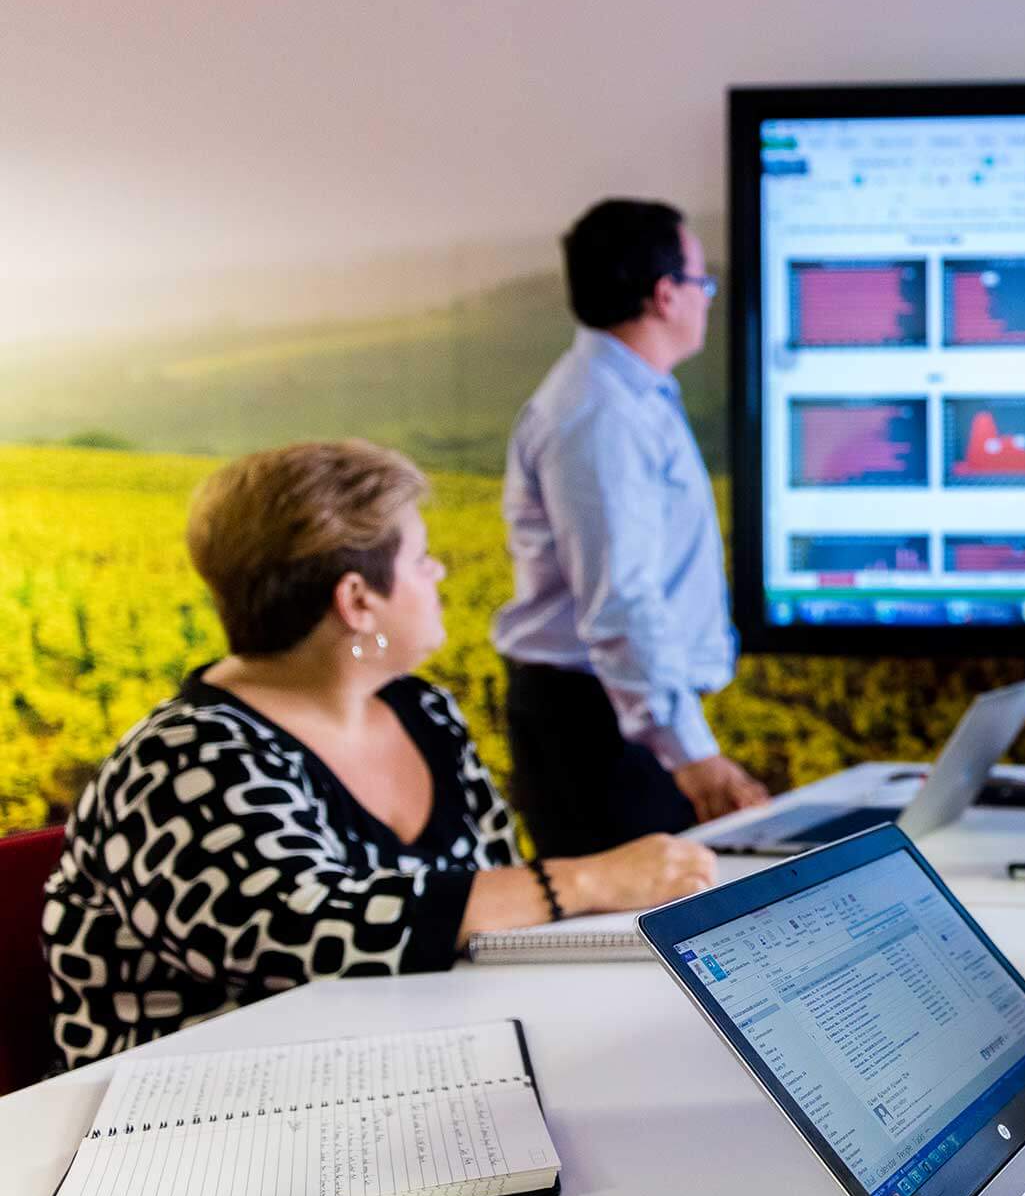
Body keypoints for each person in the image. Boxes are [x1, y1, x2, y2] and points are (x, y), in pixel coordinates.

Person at [43, 442, 717, 1069]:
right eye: (420, 558)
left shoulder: (421, 711)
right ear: (358, 601)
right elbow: (319, 933)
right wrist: (589, 880)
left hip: (407, 1075)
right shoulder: (180, 765)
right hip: (197, 1131)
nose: (439, 572)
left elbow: (494, 913)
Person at [493, 198, 768, 858]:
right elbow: (621, 601)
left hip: (620, 709)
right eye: (702, 282)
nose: (708, 298)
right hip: (595, 724)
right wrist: (690, 752)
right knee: (633, 937)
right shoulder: (600, 415)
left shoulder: (626, 394)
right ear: (665, 295)